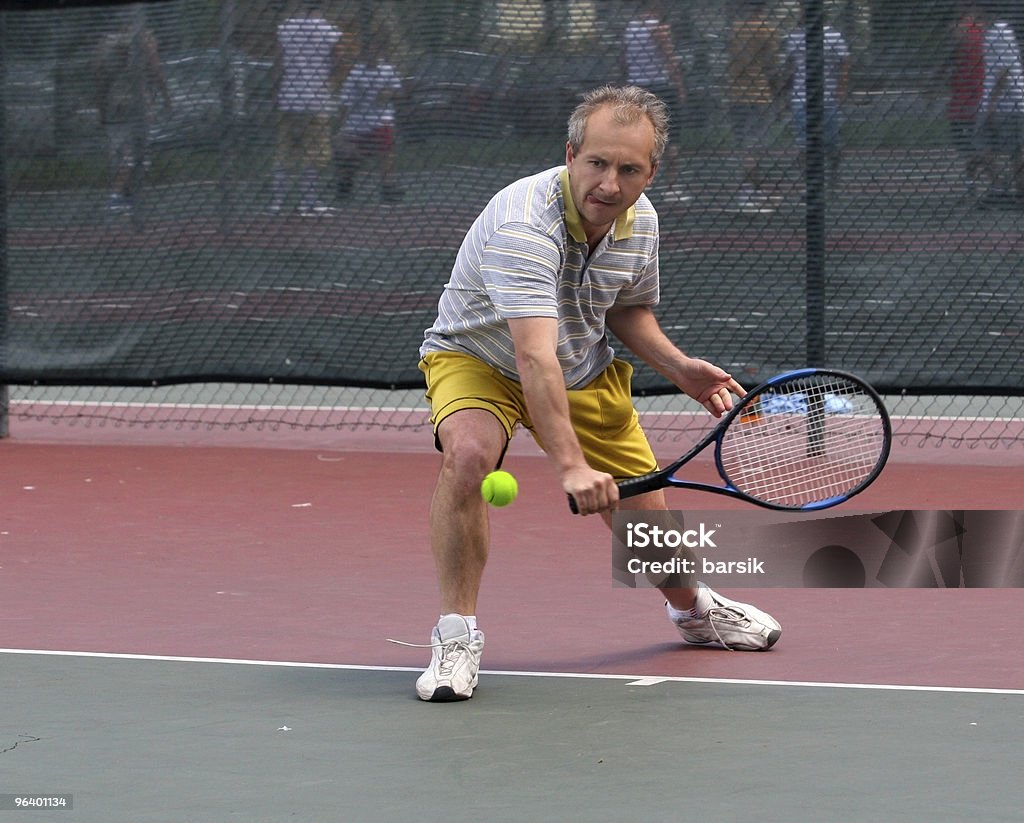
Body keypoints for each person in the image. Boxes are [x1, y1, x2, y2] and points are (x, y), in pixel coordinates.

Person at [413, 85, 782, 703]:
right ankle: (456, 636)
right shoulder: (524, 225)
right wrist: (572, 466)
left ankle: (693, 609)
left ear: (651, 172)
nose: (610, 183)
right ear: (571, 154)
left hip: (581, 368)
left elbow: (625, 308)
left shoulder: (643, 222)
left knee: (643, 517)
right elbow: (533, 355)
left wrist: (681, 367)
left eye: (629, 169)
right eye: (597, 163)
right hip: (478, 356)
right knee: (470, 458)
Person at [269, 4, 348, 216]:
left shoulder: (286, 28)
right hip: (316, 98)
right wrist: (331, 82)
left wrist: (277, 91)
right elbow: (340, 58)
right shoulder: (328, 30)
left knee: (284, 149)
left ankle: (277, 202)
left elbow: (277, 62)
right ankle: (308, 201)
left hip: (289, 95)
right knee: (315, 151)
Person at [94, 16, 171, 212]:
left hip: (114, 101)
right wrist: (166, 96)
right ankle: (116, 194)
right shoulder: (144, 39)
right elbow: (156, 69)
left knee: (120, 151)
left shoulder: (106, 43)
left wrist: (101, 106)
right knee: (137, 151)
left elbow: (99, 74)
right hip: (137, 103)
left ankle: (126, 195)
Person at [622, 1, 689, 202]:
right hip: (660, 86)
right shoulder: (659, 28)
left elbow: (623, 60)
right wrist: (680, 86)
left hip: (636, 86)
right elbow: (670, 60)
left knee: (637, 136)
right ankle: (671, 184)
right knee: (670, 136)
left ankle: (635, 182)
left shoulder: (631, 28)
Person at [334, 29, 404, 204]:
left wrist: (389, 93)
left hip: (381, 122)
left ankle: (387, 188)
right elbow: (345, 102)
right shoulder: (356, 73)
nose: (372, 52)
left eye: (375, 48)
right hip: (357, 124)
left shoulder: (387, 70)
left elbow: (398, 92)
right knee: (348, 155)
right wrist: (341, 128)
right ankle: (345, 184)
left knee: (387, 153)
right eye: (368, 49)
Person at [726, 0, 783, 211]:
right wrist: (778, 91)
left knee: (747, 144)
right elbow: (772, 64)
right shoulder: (766, 29)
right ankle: (748, 191)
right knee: (754, 146)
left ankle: (753, 189)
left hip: (736, 93)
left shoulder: (735, 29)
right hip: (759, 94)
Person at [783, 10, 850, 187]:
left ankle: (833, 174)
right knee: (803, 144)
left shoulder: (833, 35)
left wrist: (841, 89)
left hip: (827, 97)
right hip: (801, 97)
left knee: (831, 142)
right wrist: (786, 93)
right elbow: (790, 67)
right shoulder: (796, 37)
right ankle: (810, 183)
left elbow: (844, 62)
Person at [977, 11, 1024, 207]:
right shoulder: (997, 32)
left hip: (1008, 105)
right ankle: (1004, 189)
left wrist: (991, 105)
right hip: (1005, 103)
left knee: (1012, 150)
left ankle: (1011, 191)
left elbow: (1003, 71)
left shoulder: (998, 32)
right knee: (988, 146)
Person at [946, 4, 986, 193]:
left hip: (971, 99)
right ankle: (973, 181)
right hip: (967, 99)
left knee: (974, 146)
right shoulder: (977, 31)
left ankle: (985, 180)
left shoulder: (977, 31)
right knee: (971, 145)